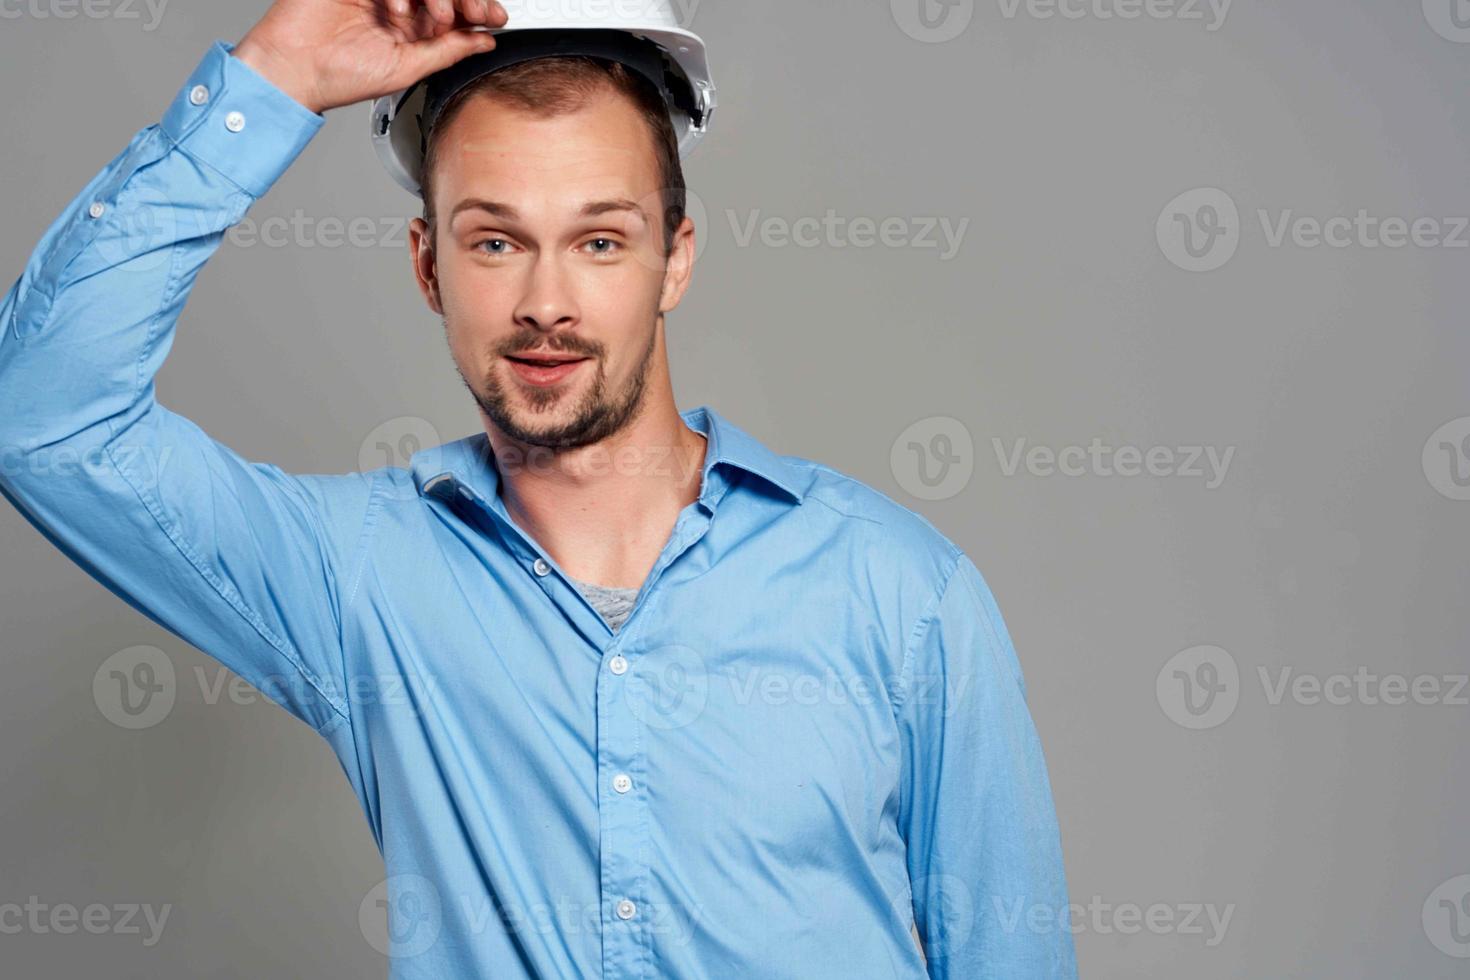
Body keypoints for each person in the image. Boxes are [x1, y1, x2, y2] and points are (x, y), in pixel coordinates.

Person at [0, 1, 1078, 976]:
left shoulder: (900, 593)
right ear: (428, 266)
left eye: (600, 240)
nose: (545, 303)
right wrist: (270, 77)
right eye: (496, 241)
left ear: (676, 257)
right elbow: (41, 419)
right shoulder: (359, 578)